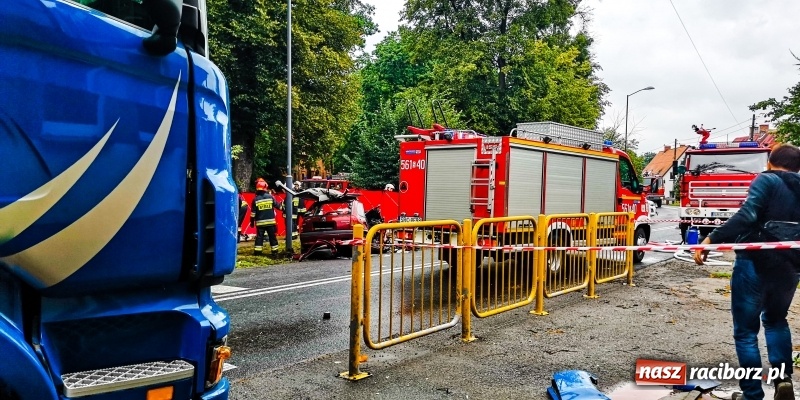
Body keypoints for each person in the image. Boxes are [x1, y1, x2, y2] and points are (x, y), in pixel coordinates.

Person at [694, 144, 800, 400]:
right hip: (790, 266)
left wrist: (712, 239)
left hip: (755, 263)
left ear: (770, 161)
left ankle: (752, 395)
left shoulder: (767, 180)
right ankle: (783, 380)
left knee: (746, 331)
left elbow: (747, 215)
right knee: (776, 321)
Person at [250, 178, 282, 255]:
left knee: (259, 237)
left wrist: (251, 222)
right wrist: (284, 207)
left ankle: (258, 252)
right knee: (272, 237)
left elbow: (253, 213)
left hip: (260, 223)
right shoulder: (270, 197)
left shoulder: (255, 199)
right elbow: (278, 207)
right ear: (265, 187)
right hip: (271, 222)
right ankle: (275, 252)